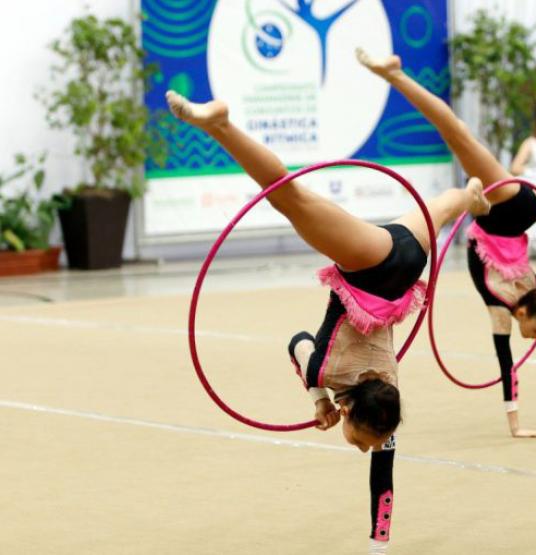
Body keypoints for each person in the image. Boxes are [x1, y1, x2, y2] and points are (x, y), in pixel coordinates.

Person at [166, 90, 491, 553]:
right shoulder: (327, 371)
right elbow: (298, 342)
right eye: (363, 443)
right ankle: (220, 124)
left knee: (439, 207)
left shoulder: (388, 402)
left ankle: (471, 194)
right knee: (289, 197)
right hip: (369, 265)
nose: (365, 448)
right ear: (351, 412)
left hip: (407, 262)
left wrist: (379, 546)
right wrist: (317, 396)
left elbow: (383, 483)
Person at [357, 48, 536, 438]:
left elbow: (507, 364)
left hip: (507, 213)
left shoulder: (530, 293)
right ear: (526, 313)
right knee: (457, 134)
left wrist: (516, 425)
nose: (534, 338)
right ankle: (394, 74)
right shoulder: (525, 296)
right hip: (507, 207)